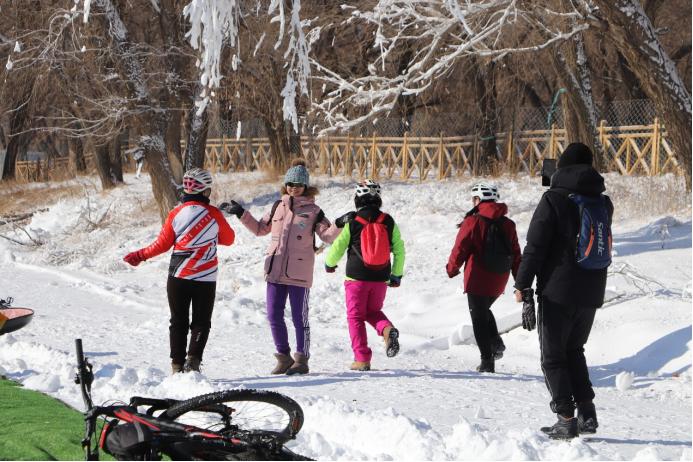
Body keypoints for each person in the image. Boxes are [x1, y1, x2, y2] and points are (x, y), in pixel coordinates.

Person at [514, 142, 613, 439]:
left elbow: (535, 247)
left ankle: (566, 418)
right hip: (593, 289)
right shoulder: (603, 202)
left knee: (553, 356)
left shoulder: (553, 200)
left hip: (558, 291)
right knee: (574, 350)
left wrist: (522, 283)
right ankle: (588, 415)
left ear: (562, 168)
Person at [221, 159, 340, 375]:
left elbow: (327, 236)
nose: (294, 188)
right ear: (285, 185)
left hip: (299, 273)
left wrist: (339, 225)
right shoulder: (277, 206)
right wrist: (241, 213)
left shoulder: (314, 211)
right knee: (274, 315)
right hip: (274, 271)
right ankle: (284, 357)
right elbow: (259, 229)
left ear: (306, 186)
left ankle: (301, 359)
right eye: (290, 184)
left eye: (298, 184)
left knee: (298, 317)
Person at [123, 168, 235, 374]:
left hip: (178, 277)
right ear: (205, 191)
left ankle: (176, 365)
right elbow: (229, 239)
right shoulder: (214, 214)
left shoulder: (175, 213)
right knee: (201, 322)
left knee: (178, 320)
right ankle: (193, 362)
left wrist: (139, 255)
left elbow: (162, 245)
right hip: (205, 278)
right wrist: (208, 237)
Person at [324, 179, 405, 371]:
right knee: (373, 311)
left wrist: (329, 264)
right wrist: (396, 275)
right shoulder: (388, 220)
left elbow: (338, 246)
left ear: (357, 199)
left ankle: (362, 358)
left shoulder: (353, 221)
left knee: (356, 317)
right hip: (381, 277)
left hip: (356, 278)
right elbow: (400, 249)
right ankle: (387, 330)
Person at [446, 182, 521, 373]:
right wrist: (520, 280)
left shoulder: (473, 221)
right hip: (499, 277)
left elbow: (460, 247)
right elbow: (516, 253)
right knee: (483, 310)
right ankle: (495, 342)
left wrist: (452, 268)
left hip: (477, 277)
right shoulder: (508, 224)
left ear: (478, 200)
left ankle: (487, 361)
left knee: (478, 317)